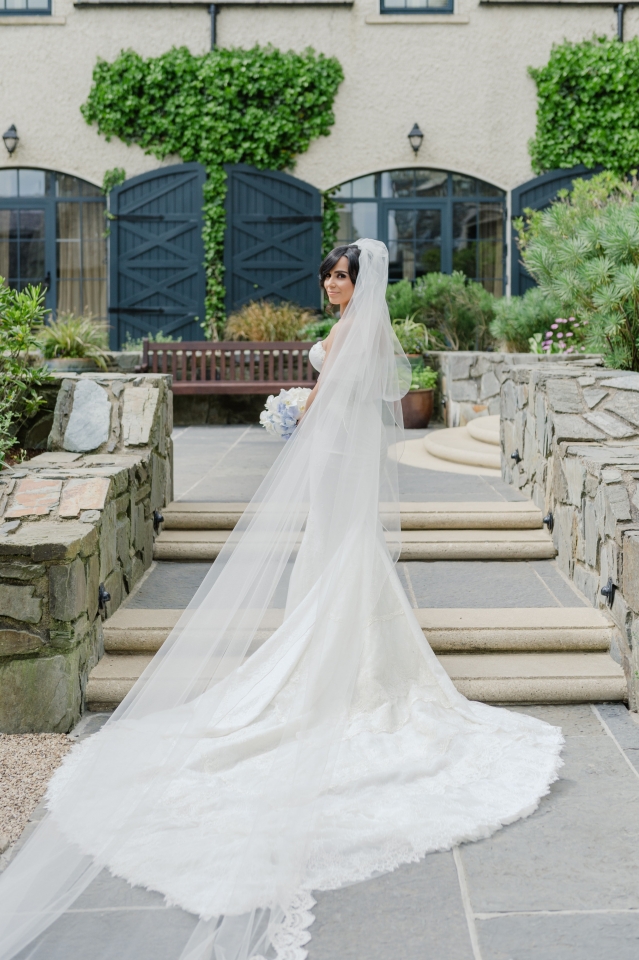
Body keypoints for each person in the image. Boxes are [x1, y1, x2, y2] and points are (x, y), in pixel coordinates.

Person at [0, 240, 563, 960]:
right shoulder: (360, 327)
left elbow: (339, 395)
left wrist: (298, 413)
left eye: (342, 274)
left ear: (364, 282)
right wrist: (300, 411)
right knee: (336, 551)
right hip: (339, 450)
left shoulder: (357, 328)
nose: (332, 283)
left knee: (340, 550)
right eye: (328, 273)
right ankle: (342, 644)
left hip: (335, 453)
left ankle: (343, 657)